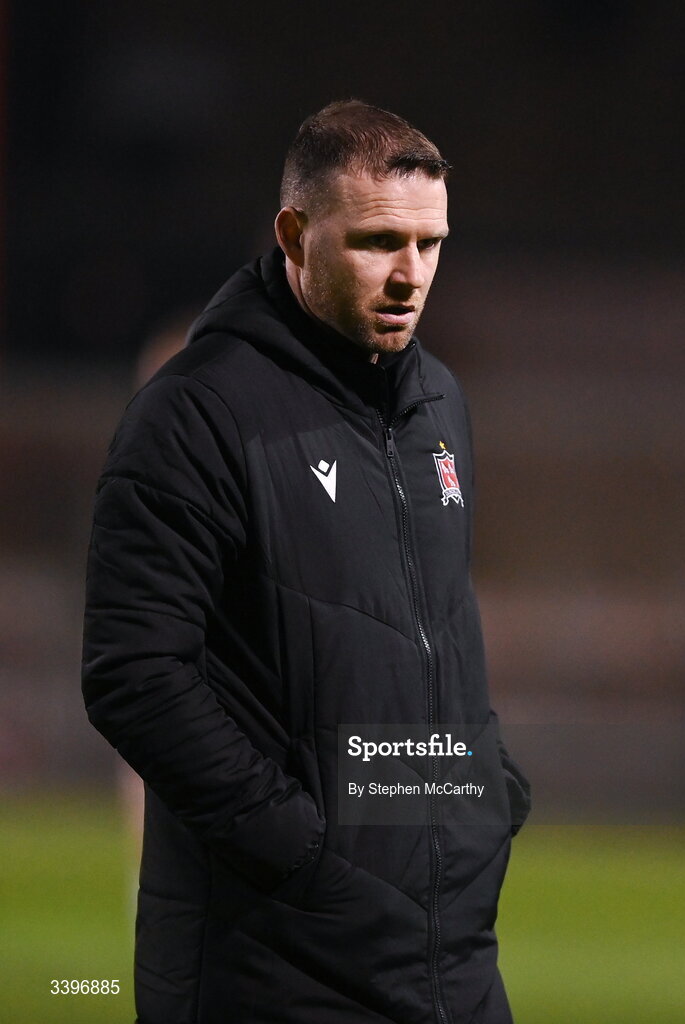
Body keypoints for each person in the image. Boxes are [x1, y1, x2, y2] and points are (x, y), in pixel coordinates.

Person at [82, 100, 531, 1024]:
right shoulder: (195, 412)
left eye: (430, 244)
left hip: (446, 959)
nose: (410, 275)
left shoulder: (438, 403)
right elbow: (134, 672)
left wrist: (484, 798)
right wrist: (299, 855)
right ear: (294, 235)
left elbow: (437, 635)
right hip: (272, 964)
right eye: (377, 242)